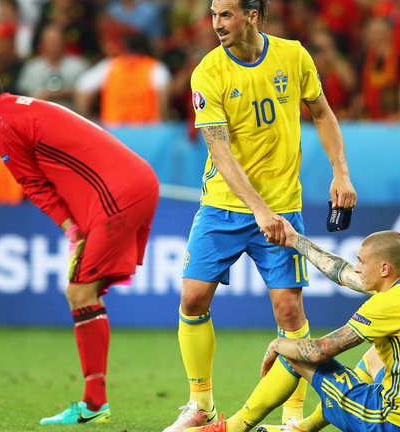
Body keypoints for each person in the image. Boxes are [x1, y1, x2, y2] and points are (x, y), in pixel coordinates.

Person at [163, 1, 357, 432]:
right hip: (224, 205)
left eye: (226, 14)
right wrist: (258, 209)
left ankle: (291, 418)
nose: (216, 24)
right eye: (213, 15)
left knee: (289, 311)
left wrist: (341, 173)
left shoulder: (294, 55)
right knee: (193, 298)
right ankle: (201, 405)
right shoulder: (208, 72)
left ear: (253, 15)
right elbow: (219, 149)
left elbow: (322, 112)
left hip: (283, 206)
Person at [0, 61, 160, 425]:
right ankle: (95, 402)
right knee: (85, 292)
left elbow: (33, 184)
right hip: (134, 184)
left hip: (117, 194)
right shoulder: (17, 107)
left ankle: (95, 404)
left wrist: (72, 232)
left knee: (79, 292)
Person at [256, 224, 400, 432]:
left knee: (295, 353)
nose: (357, 268)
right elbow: (342, 272)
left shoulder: (385, 305)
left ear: (384, 269)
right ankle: (302, 428)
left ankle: (235, 426)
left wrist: (278, 343)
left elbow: (318, 352)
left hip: (394, 424)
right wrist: (296, 240)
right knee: (374, 355)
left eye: (361, 261)